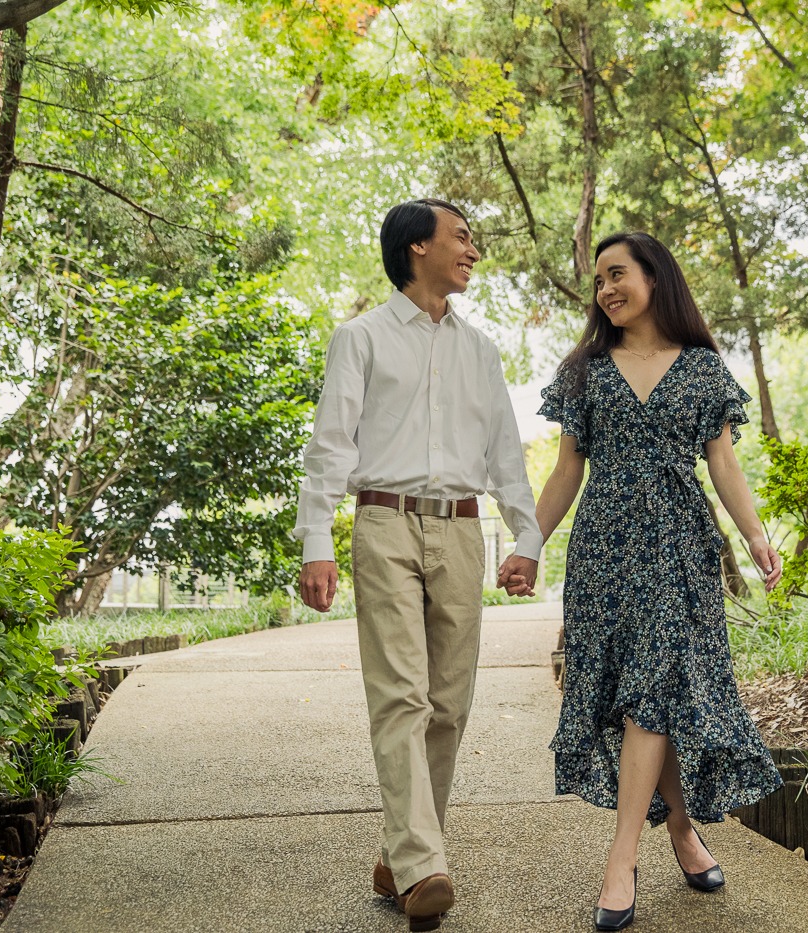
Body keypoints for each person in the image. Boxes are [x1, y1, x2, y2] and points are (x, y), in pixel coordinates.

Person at [294, 198, 542, 932]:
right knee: (401, 694)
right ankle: (427, 865)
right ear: (416, 248)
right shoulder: (361, 338)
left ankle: (398, 855)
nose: (473, 250)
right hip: (383, 525)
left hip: (462, 533)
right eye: (461, 237)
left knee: (449, 704)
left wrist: (525, 537)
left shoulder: (482, 351)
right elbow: (330, 445)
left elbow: (505, 452)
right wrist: (317, 540)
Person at [531, 231, 783, 931]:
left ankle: (621, 860)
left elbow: (725, 467)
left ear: (654, 276)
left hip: (679, 547)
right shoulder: (583, 370)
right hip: (604, 552)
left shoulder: (702, 367)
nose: (607, 289)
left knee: (654, 690)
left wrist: (757, 534)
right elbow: (565, 472)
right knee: (642, 693)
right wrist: (529, 543)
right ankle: (679, 831)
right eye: (599, 281)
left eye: (618, 274)